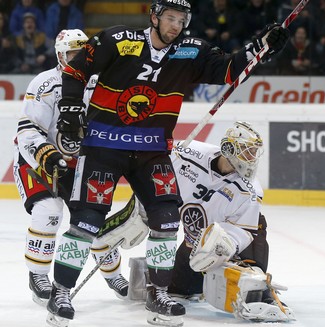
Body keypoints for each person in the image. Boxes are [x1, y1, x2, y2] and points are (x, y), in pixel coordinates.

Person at [47, 1, 290, 326]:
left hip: (152, 150)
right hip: (104, 145)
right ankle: (60, 292)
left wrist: (262, 47)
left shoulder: (190, 51)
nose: (176, 25)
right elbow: (76, 70)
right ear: (154, 17)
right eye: (170, 18)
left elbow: (230, 70)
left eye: (182, 20)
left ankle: (158, 295)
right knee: (87, 221)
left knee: (165, 221)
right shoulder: (118, 39)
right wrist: (69, 111)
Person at [113, 122, 294, 322]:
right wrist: (147, 196)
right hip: (193, 242)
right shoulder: (187, 152)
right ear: (229, 148)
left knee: (257, 227)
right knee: (176, 289)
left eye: (254, 153)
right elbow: (154, 169)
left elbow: (244, 232)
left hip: (225, 244)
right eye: (247, 152)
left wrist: (224, 246)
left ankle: (259, 288)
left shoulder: (250, 190)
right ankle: (153, 271)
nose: (251, 158)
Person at [12, 29, 129, 307]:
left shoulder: (100, 83)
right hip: (40, 162)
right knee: (48, 212)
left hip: (81, 165)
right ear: (59, 54)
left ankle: (114, 274)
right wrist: (45, 153)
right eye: (71, 54)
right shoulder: (45, 82)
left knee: (93, 223)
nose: (77, 59)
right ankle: (39, 275)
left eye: (81, 53)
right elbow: (28, 129)